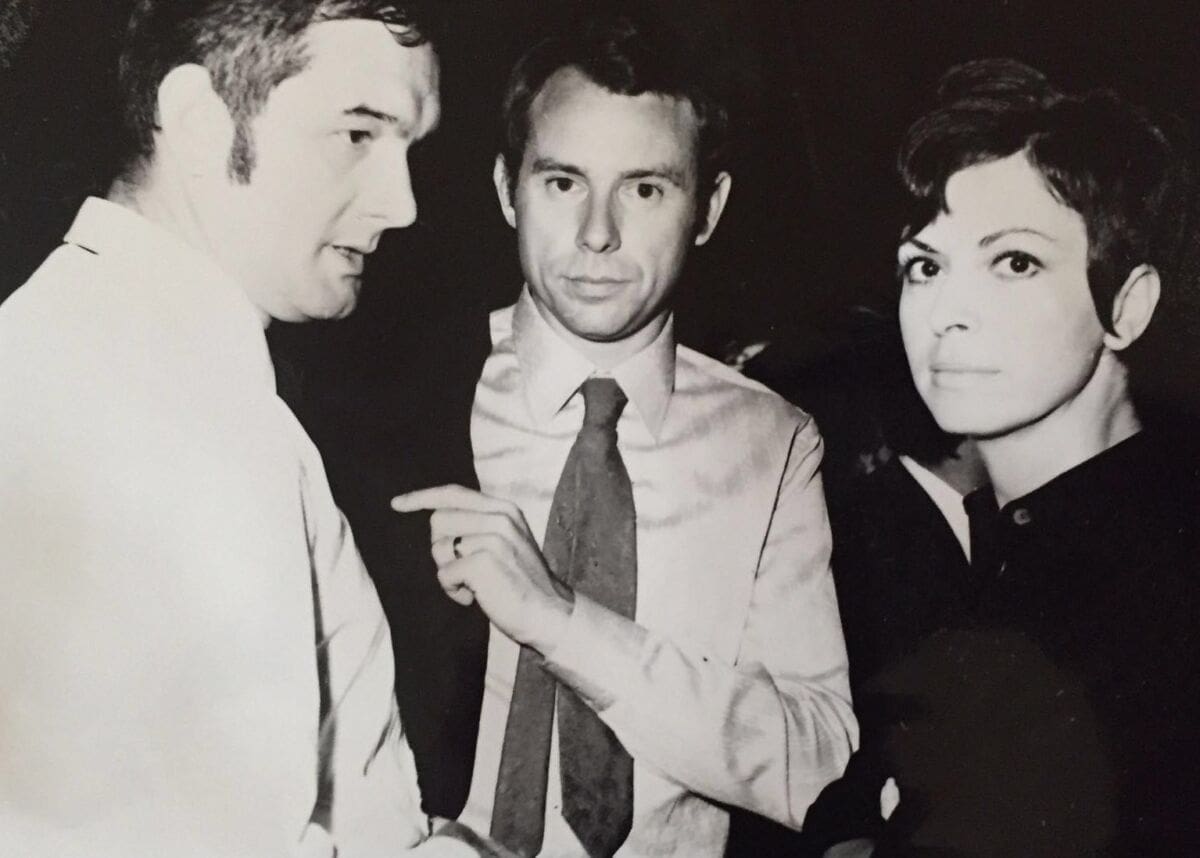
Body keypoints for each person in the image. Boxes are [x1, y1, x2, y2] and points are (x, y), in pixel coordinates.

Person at [0, 2, 487, 856]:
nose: (404, 204)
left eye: (410, 147)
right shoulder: (157, 414)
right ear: (199, 122)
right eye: (357, 135)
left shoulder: (136, 357)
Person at [392, 8, 858, 857]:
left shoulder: (774, 441)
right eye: (562, 183)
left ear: (708, 208)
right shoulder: (402, 399)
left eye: (645, 189)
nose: (597, 234)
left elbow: (821, 761)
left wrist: (561, 622)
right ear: (505, 189)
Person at [814, 59, 1200, 857]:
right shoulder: (1008, 550)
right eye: (926, 267)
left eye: (1015, 262)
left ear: (1127, 306)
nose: (947, 314)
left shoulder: (1146, 595)